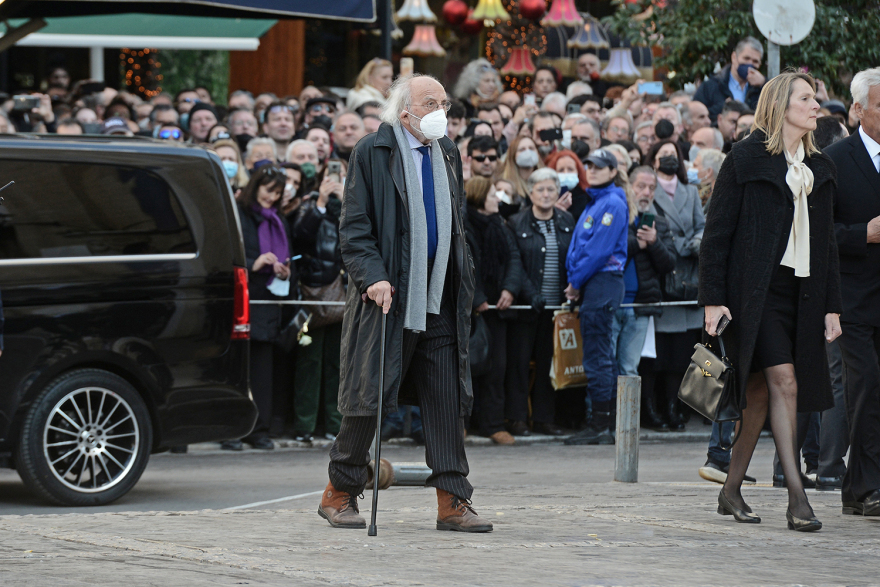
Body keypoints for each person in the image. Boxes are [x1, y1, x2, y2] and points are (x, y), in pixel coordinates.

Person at [318, 74, 492, 533]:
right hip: (388, 299)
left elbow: (455, 225)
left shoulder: (448, 153)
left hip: (439, 298)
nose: (440, 111)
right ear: (404, 112)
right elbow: (354, 230)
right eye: (429, 103)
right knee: (368, 399)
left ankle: (453, 499)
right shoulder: (371, 153)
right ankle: (339, 491)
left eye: (444, 104)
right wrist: (372, 277)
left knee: (444, 400)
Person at [700, 72, 841, 531]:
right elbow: (716, 235)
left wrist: (831, 306)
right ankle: (797, 495)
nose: (816, 106)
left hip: (800, 295)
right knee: (784, 381)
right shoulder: (744, 158)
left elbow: (827, 246)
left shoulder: (821, 169)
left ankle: (731, 489)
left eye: (815, 99)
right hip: (752, 297)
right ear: (782, 105)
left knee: (760, 394)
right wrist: (711, 300)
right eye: (807, 98)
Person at [826, 67, 880, 517]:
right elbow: (818, 232)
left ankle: (856, 486)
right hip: (853, 300)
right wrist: (864, 233)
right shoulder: (835, 159)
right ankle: (865, 485)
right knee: (866, 386)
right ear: (859, 110)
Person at [226, 166, 296, 451]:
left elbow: (290, 257)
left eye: (277, 193)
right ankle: (232, 429)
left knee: (262, 370)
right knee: (237, 369)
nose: (272, 197)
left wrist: (284, 271)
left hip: (267, 301)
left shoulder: (279, 219)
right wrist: (253, 263)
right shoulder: (239, 216)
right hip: (242, 299)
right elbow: (229, 253)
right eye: (268, 190)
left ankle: (259, 429)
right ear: (255, 187)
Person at [562, 149, 629, 445]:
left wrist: (575, 282)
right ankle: (607, 421)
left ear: (613, 171)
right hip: (595, 284)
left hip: (601, 282)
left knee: (598, 355)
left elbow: (597, 251)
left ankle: (602, 423)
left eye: (600, 167)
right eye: (589, 165)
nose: (593, 170)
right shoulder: (598, 202)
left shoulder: (612, 203)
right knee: (600, 353)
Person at [642, 139, 705, 430]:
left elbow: (701, 225)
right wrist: (676, 244)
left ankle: (675, 406)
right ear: (653, 159)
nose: (668, 158)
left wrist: (692, 243)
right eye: (662, 154)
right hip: (661, 271)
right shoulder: (647, 190)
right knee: (660, 355)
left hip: (688, 277)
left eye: (673, 154)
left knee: (682, 353)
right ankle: (654, 409)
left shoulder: (691, 191)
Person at [505, 169, 574, 437]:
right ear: (530, 192)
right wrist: (530, 292)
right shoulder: (516, 221)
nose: (546, 195)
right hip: (526, 306)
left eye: (551, 189)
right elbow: (515, 264)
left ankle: (544, 419)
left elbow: (575, 256)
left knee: (550, 365)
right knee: (519, 364)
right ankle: (517, 418)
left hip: (557, 307)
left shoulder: (568, 219)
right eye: (540, 189)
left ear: (558, 192)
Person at [291, 161, 347, 443]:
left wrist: (342, 199)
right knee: (309, 361)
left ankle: (334, 424)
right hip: (312, 295)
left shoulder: (356, 204)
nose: (335, 180)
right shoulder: (310, 205)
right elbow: (300, 236)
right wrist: (323, 201)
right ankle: (304, 425)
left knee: (338, 363)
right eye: (331, 176)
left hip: (344, 294)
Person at [465, 176, 522, 444]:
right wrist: (476, 297)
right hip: (469, 311)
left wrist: (509, 289)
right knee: (466, 369)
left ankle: (493, 423)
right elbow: (461, 264)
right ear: (478, 199)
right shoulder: (462, 225)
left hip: (498, 309)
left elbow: (514, 259)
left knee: (497, 368)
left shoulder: (501, 225)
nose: (498, 199)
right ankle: (461, 424)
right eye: (492, 195)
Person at [623, 166, 675, 430]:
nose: (646, 192)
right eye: (641, 186)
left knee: (636, 365)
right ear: (629, 186)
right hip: (618, 301)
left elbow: (668, 264)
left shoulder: (659, 223)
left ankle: (634, 420)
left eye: (651, 188)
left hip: (645, 304)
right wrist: (637, 243)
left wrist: (653, 242)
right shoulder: (619, 216)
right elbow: (611, 253)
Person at [693, 37, 766, 121]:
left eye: (755, 61)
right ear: (734, 57)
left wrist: (764, 83)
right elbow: (697, 117)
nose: (750, 64)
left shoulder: (762, 89)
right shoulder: (710, 87)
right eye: (746, 58)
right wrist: (724, 108)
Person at [494, 135, 542, 210]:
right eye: (522, 149)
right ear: (513, 155)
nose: (528, 152)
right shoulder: (504, 184)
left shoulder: (546, 179)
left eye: (531, 148)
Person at [544, 149, 590, 222]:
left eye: (570, 169)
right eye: (561, 170)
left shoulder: (587, 196)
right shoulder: (547, 196)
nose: (566, 173)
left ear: (578, 172)